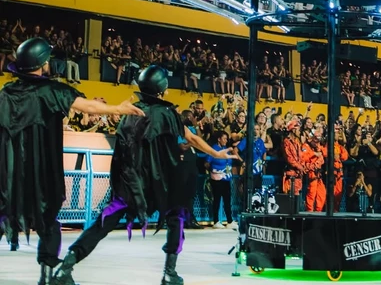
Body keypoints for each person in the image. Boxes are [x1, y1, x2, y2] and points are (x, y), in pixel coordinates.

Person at [52, 65, 236, 285]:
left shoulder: (129, 113)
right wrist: (216, 152)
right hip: (162, 183)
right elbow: (192, 139)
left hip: (132, 184)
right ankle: (169, 273)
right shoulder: (169, 114)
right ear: (163, 89)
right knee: (176, 218)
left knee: (103, 223)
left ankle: (67, 266)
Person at [0, 37, 143, 285]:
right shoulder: (53, 91)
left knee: (3, 214)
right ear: (43, 63)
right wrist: (118, 110)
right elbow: (89, 107)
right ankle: (46, 276)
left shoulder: (5, 93)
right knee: (48, 221)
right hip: (43, 169)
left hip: (9, 170)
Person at [209, 131, 235, 228]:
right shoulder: (213, 149)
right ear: (219, 139)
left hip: (226, 179)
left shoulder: (226, 149)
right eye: (224, 138)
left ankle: (229, 221)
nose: (226, 140)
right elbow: (207, 163)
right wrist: (214, 172)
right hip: (217, 179)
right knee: (217, 200)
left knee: (227, 200)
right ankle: (216, 221)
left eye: (226, 139)